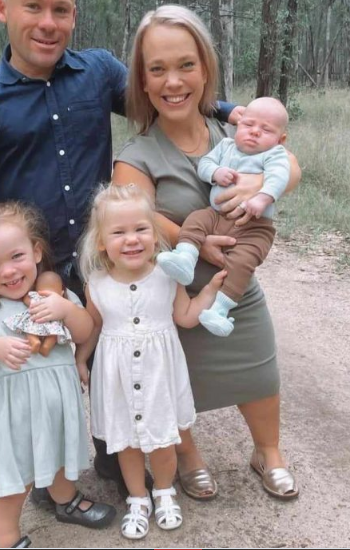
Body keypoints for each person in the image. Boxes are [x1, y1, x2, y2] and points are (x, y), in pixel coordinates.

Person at [0, 0, 242, 500]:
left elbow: (161, 96)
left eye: (60, 10)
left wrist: (230, 111)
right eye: (33, 7)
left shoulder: (98, 72)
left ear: (74, 15)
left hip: (106, 256)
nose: (47, 23)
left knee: (118, 351)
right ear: (2, 8)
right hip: (32, 269)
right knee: (44, 372)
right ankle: (46, 475)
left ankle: (116, 448)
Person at [113, 4, 301, 501]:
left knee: (258, 366)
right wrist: (194, 242)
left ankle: (268, 453)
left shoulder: (234, 135)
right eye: (157, 69)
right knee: (171, 378)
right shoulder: (136, 155)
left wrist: (263, 183)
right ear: (143, 81)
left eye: (186, 65)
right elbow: (136, 216)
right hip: (172, 294)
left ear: (205, 70)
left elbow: (287, 161)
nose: (173, 81)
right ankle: (188, 456)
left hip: (235, 284)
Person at [0, 201, 116, 549]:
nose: (8, 271)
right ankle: (8, 540)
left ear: (36, 252)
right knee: (11, 484)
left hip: (56, 409)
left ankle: (66, 500)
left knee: (59, 458)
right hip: (13, 419)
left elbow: (85, 331)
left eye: (16, 257)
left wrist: (66, 309)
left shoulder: (55, 297)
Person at [75, 184, 227, 540]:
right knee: (126, 443)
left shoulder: (167, 275)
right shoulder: (96, 283)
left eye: (141, 229)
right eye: (119, 232)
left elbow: (185, 316)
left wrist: (209, 292)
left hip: (159, 374)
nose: (132, 239)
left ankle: (164, 491)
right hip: (116, 377)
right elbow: (94, 325)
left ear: (155, 235)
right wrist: (81, 358)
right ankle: (138, 499)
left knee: (162, 440)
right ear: (101, 242)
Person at [157, 97, 290, 337]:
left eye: (266, 129)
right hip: (216, 215)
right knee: (195, 220)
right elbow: (204, 164)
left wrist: (262, 197)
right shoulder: (226, 146)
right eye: (248, 125)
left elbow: (279, 176)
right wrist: (215, 172)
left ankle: (220, 309)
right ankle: (185, 257)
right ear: (238, 125)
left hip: (254, 227)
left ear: (280, 139)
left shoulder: (274, 154)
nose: (255, 132)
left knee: (242, 262)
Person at [5, 271, 72, 356]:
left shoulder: (35, 296)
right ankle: (47, 346)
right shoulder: (60, 300)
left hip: (36, 319)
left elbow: (26, 300)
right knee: (54, 335)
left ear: (36, 289)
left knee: (29, 329)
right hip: (53, 323)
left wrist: (32, 303)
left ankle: (34, 341)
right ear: (62, 293)